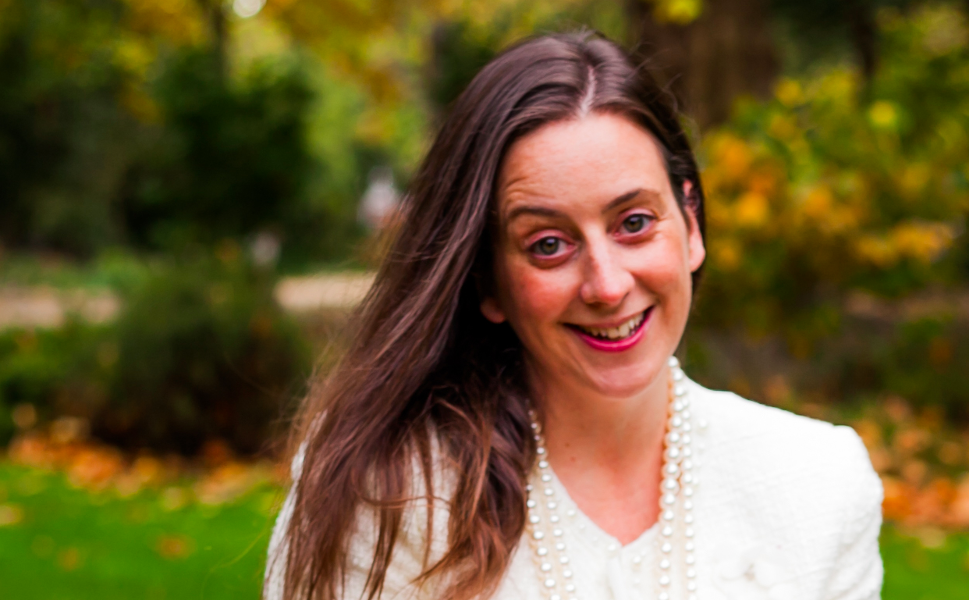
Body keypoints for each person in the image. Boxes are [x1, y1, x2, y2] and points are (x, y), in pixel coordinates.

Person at [264, 31, 883, 600]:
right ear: (489, 282)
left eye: (634, 224)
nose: (607, 285)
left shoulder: (816, 485)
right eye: (548, 245)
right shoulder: (388, 495)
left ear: (690, 224)